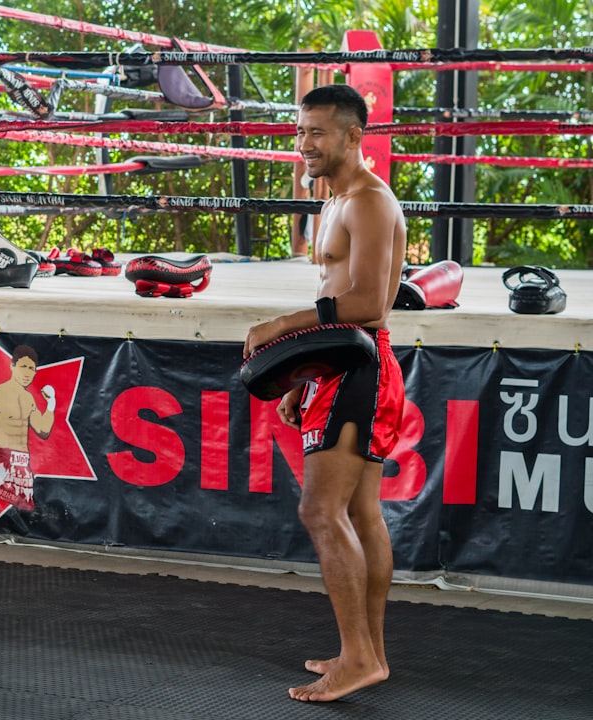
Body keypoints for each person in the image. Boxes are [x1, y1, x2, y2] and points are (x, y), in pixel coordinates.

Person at [243, 84, 407, 702]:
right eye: (300, 131)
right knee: (360, 513)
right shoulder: (335, 201)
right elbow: (346, 312)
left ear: (351, 136)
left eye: (316, 132)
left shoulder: (367, 201)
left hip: (361, 369)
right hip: (341, 366)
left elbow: (369, 303)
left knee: (321, 511)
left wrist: (281, 327)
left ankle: (360, 656)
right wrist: (306, 374)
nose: (304, 144)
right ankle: (366, 654)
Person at [0, 345, 55, 513]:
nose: (27, 373)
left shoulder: (29, 398)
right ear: (12, 366)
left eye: (32, 368)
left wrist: (51, 404)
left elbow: (43, 429)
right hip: (1, 464)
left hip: (24, 467)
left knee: (25, 517)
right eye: (23, 366)